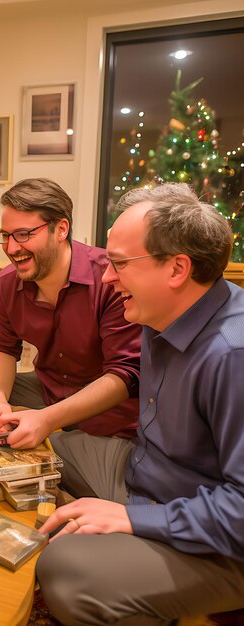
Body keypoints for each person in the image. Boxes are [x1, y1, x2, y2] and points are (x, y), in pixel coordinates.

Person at [37, 183, 244, 624]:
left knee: (64, 569)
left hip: (214, 543)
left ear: (177, 269)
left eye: (119, 264)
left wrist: (134, 521)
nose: (107, 277)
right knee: (43, 450)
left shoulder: (233, 356)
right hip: (143, 479)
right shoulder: (157, 313)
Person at [0, 178, 141, 448]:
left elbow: (124, 375)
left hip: (108, 413)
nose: (11, 248)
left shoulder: (109, 279)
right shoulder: (8, 282)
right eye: (5, 236)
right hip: (49, 390)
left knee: (67, 466)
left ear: (61, 229)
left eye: (23, 234)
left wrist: (47, 420)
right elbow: (3, 349)